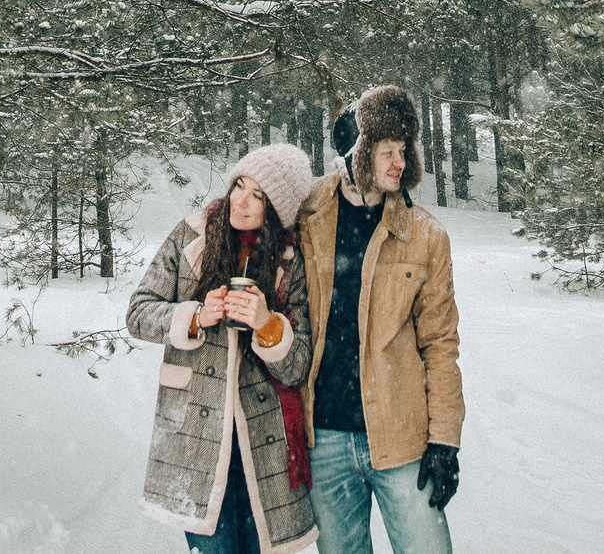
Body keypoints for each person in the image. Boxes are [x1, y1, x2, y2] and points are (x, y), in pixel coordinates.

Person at [130, 143, 320, 554]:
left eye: (258, 195)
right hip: (197, 435)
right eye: (239, 185)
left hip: (263, 443)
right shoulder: (191, 236)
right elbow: (139, 313)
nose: (241, 201)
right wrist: (195, 316)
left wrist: (268, 325)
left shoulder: (290, 259)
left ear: (276, 210)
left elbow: (299, 362)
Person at [297, 85, 464, 554]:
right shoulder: (309, 215)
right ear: (358, 155)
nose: (400, 162)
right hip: (325, 438)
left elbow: (440, 344)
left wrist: (444, 440)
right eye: (388, 151)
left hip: (402, 439)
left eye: (405, 150)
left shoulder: (425, 236)